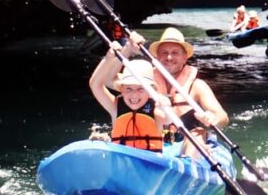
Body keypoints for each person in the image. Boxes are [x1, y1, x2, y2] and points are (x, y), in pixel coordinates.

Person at [149, 27, 230, 158]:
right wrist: (124, 50)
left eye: (175, 53)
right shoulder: (146, 83)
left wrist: (212, 119)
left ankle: (189, 164)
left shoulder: (197, 86)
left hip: (186, 144)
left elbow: (223, 117)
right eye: (164, 53)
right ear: (157, 57)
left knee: (197, 133)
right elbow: (108, 81)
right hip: (155, 143)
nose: (169, 57)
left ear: (184, 57)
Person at [89, 36, 168, 152]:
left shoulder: (156, 110)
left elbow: (168, 120)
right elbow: (95, 85)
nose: (134, 95)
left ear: (150, 91)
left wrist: (166, 107)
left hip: (150, 165)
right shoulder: (115, 107)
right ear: (121, 89)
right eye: (129, 89)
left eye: (141, 89)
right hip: (121, 162)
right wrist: (108, 59)